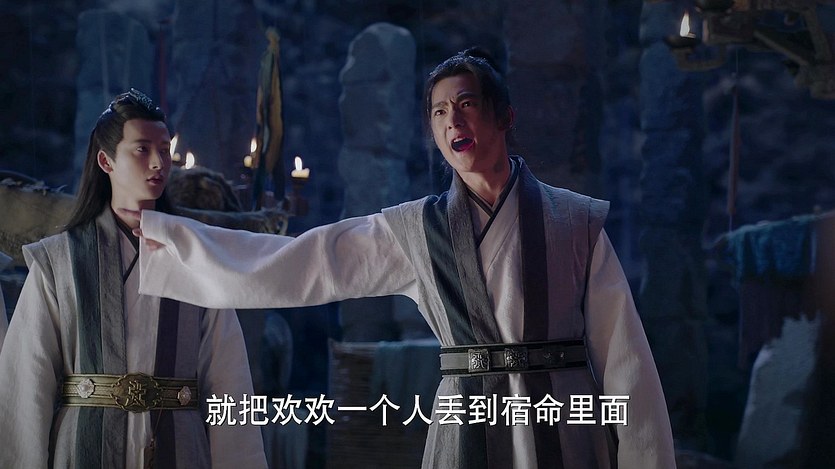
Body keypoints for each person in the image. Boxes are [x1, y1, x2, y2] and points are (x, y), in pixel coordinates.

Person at [135, 49, 676, 468]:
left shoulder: (574, 221)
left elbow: (626, 360)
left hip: (565, 427)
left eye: (466, 104)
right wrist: (172, 243)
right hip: (467, 426)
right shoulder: (419, 230)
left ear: (504, 116)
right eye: (439, 111)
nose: (452, 121)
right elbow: (306, 262)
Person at [0, 90, 267, 468]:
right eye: (142, 149)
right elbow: (27, 380)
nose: (159, 162)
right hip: (84, 449)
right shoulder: (58, 260)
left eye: (164, 149)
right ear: (105, 161)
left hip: (180, 448)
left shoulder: (195, 258)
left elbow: (229, 381)